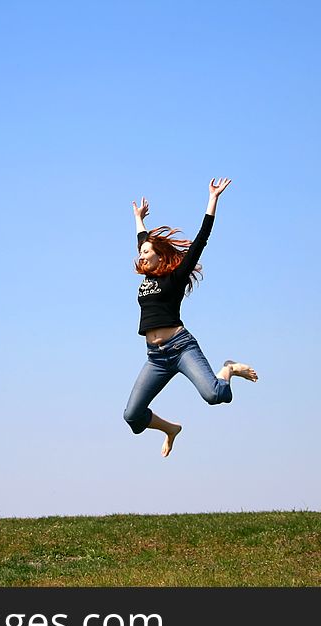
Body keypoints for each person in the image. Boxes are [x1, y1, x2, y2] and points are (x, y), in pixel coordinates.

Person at [123, 177, 258, 457]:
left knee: (215, 396)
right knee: (132, 416)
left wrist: (212, 200)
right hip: (156, 358)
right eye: (141, 252)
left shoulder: (175, 277)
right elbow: (142, 240)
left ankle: (229, 368)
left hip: (181, 348)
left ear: (160, 257)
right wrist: (139, 219)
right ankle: (171, 429)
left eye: (147, 252)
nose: (142, 255)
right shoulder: (147, 274)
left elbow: (201, 241)